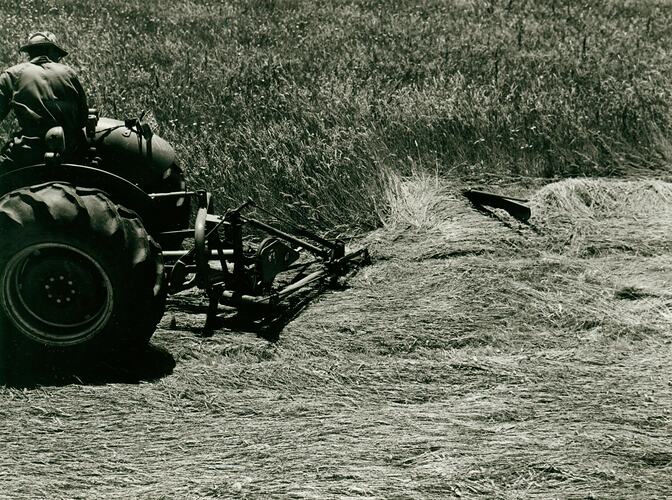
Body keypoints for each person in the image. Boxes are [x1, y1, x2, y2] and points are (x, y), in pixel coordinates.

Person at [0, 31, 88, 171]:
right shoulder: (68, 73)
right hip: (70, 151)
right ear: (50, 50)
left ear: (29, 52)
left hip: (28, 152)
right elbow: (83, 118)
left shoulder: (12, 74)